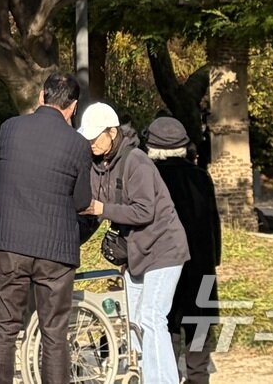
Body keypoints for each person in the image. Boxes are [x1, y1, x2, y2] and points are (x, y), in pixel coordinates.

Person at [0, 72, 92, 384]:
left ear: (42, 95)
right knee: (54, 332)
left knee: (3, 327)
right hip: (56, 250)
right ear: (73, 106)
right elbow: (82, 199)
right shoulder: (79, 144)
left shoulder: (11, 127)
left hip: (12, 242)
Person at [79, 103, 190, 384]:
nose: (91, 143)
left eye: (95, 137)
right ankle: (142, 375)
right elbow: (93, 211)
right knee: (135, 320)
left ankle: (163, 380)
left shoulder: (136, 161)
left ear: (112, 132)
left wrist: (101, 209)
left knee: (152, 318)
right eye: (88, 138)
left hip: (164, 249)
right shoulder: (97, 166)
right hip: (135, 252)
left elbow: (144, 211)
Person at [145, 116, 221, 384]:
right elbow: (213, 221)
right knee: (199, 326)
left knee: (168, 325)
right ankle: (199, 378)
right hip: (202, 263)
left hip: (164, 263)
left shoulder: (150, 177)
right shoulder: (201, 176)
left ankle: (171, 376)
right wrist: (215, 257)